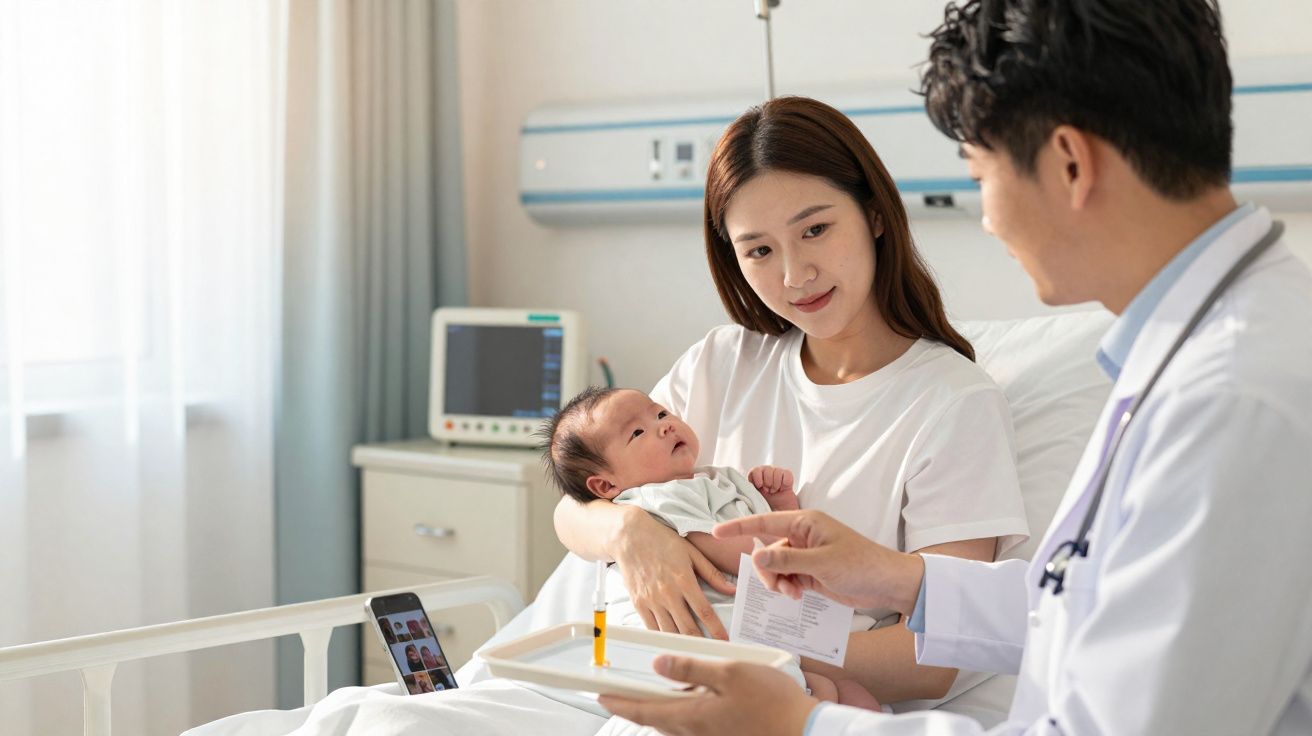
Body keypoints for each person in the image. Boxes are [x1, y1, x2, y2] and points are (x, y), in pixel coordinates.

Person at [597, 1, 1312, 734]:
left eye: (979, 173)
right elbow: (1083, 600)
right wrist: (897, 575)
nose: (987, 218)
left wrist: (806, 725)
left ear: (1069, 163)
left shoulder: (1233, 401)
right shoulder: (1202, 351)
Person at [554, 93, 1030, 706]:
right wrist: (632, 534)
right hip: (639, 675)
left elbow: (940, 657)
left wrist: (750, 648)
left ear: (874, 214)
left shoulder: (952, 403)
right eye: (759, 250)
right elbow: (574, 507)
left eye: (815, 229)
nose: (793, 275)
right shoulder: (722, 362)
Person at [542, 385, 877, 708]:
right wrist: (792, 556)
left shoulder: (720, 478)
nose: (664, 426)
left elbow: (774, 533)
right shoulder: (652, 500)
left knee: (848, 694)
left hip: (757, 632)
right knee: (822, 695)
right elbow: (734, 550)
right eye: (638, 433)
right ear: (606, 484)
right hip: (699, 638)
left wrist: (780, 506)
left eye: (660, 413)